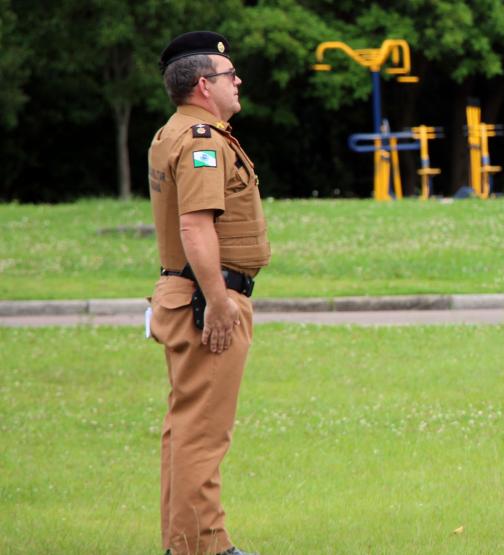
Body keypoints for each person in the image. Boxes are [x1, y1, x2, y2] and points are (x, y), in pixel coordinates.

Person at [148, 31, 270, 555]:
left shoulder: (174, 132)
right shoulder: (200, 140)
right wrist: (219, 303)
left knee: (186, 430)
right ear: (204, 84)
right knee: (203, 434)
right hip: (206, 299)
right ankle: (205, 548)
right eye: (229, 74)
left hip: (188, 295)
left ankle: (186, 544)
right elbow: (197, 228)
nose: (237, 81)